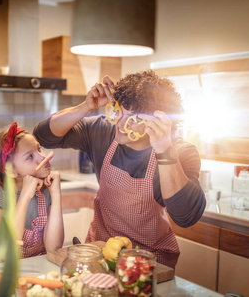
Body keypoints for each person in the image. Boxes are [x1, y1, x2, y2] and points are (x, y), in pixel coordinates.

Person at [33, 70, 206, 268]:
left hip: (148, 262)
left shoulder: (180, 152)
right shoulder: (104, 131)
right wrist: (86, 106)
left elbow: (186, 216)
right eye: (120, 111)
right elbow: (44, 135)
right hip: (100, 251)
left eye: (134, 118)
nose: (121, 124)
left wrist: (164, 150)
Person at [0, 122, 64, 258]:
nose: (43, 157)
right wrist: (25, 196)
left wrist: (56, 194)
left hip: (39, 266)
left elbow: (53, 248)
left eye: (39, 149)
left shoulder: (46, 190)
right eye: (30, 157)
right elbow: (5, 251)